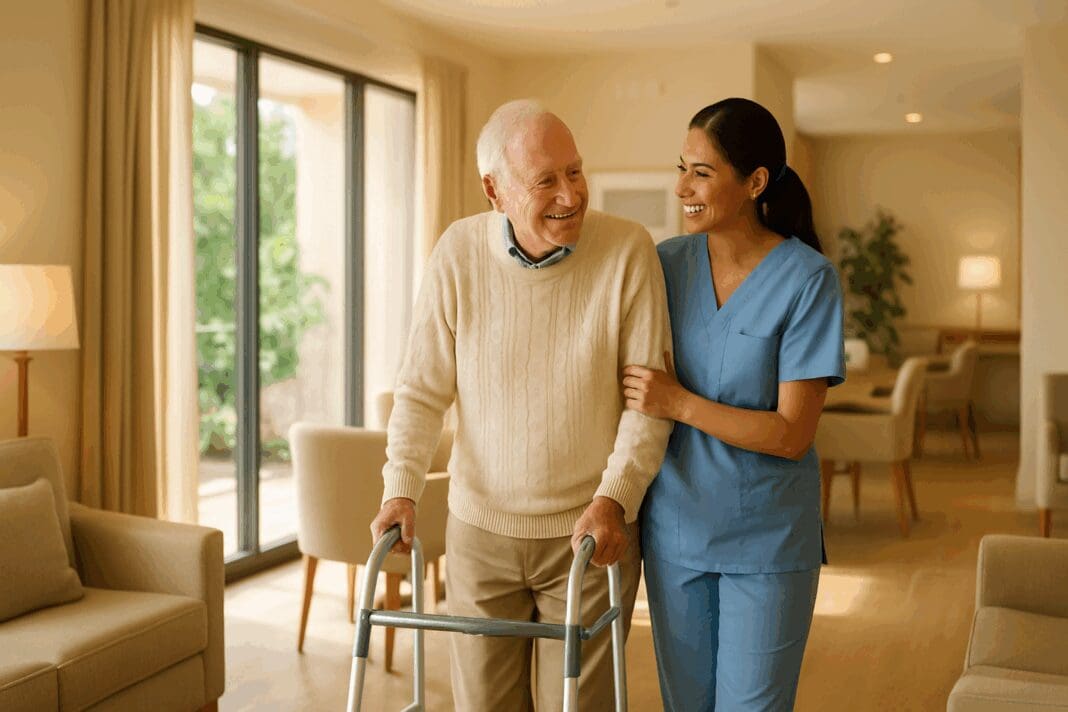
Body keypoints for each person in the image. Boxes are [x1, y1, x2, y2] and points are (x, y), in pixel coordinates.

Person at [370, 98, 673, 711]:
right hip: (480, 531)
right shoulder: (456, 254)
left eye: (575, 171)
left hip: (591, 534)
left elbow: (648, 404)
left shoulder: (628, 251)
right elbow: (422, 390)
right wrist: (400, 489)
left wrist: (615, 498)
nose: (571, 194)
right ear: (495, 190)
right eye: (546, 181)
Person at [622, 97, 846, 711]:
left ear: (754, 183)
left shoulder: (807, 280)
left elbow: (791, 433)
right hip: (676, 537)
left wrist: (678, 402)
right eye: (681, 167)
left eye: (701, 172)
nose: (681, 188)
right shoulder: (665, 265)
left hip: (768, 544)